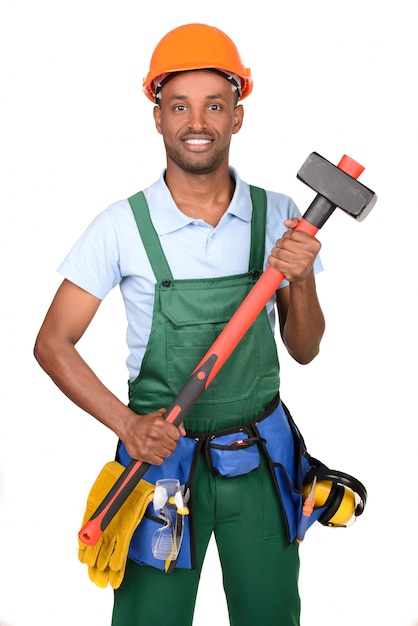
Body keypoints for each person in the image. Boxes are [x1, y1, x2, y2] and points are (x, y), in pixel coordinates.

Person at [34, 23, 325, 626]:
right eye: (179, 106)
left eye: (215, 105)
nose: (198, 122)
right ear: (159, 118)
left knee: (271, 615)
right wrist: (127, 425)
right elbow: (52, 342)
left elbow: (304, 350)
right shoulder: (120, 226)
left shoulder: (281, 216)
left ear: (237, 117)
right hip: (160, 467)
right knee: (149, 619)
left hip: (260, 461)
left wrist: (303, 277)